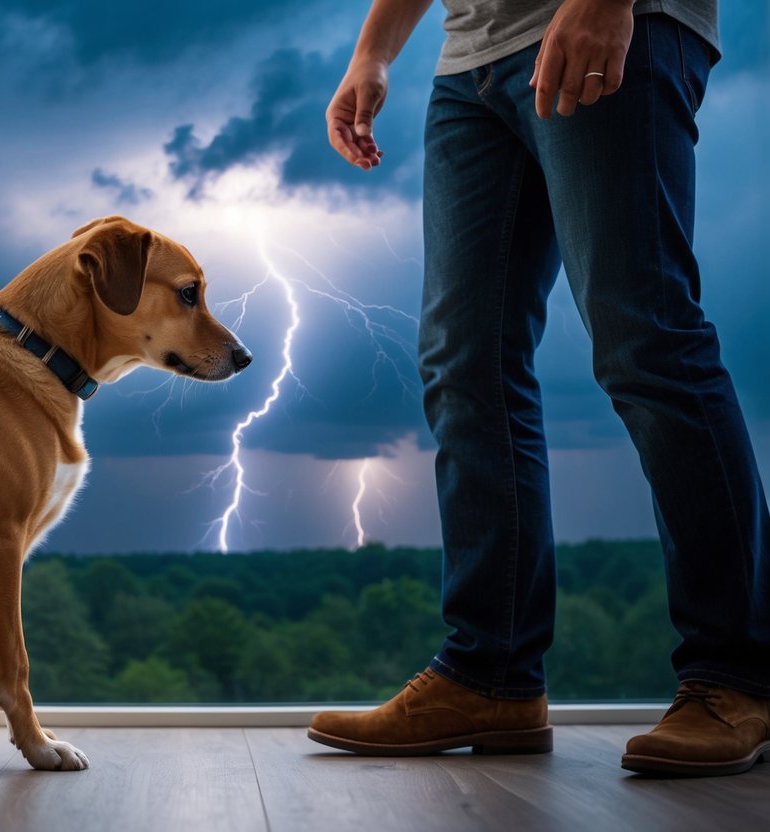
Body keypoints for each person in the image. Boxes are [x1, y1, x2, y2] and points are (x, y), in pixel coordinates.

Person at [308, 0, 770, 777]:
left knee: (644, 338)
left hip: (604, 24)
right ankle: (488, 678)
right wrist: (374, 52)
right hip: (470, 62)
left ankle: (739, 678)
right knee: (463, 361)